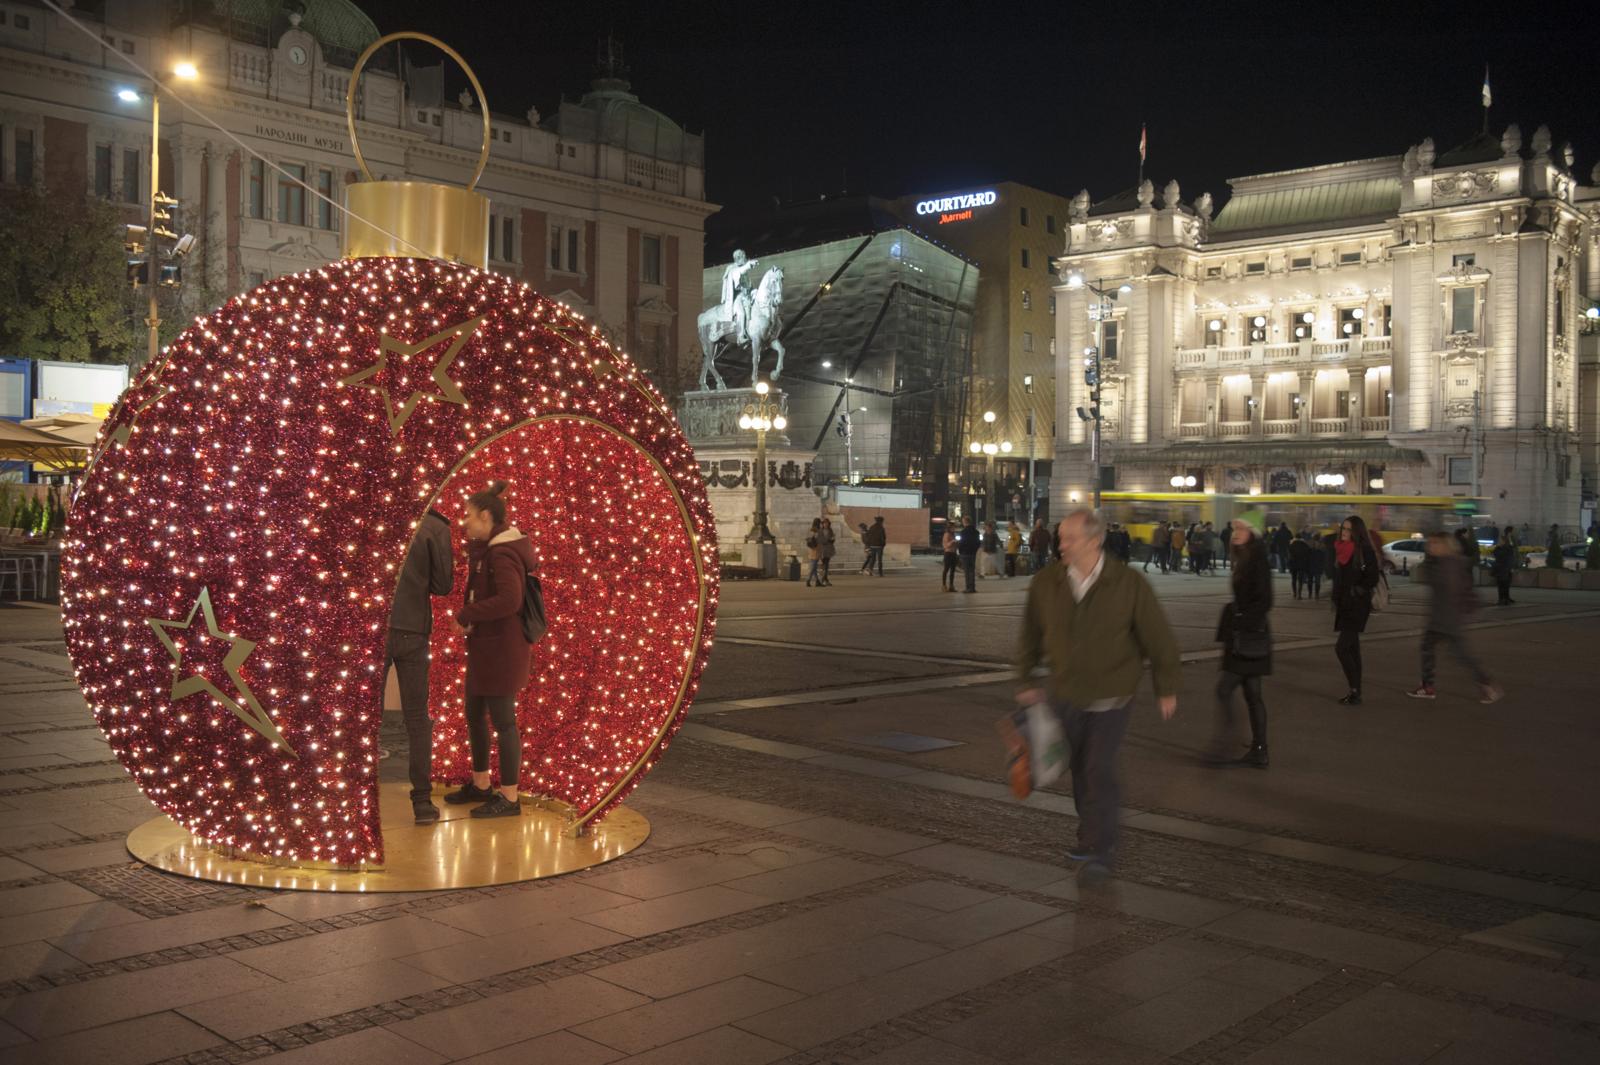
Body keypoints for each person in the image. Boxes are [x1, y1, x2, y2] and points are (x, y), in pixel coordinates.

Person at [1015, 509, 1180, 880]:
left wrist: (1166, 686)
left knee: (1098, 768)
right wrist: (1025, 677)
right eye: (1061, 537)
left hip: (1112, 694)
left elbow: (1158, 637)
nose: (1062, 544)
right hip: (1067, 692)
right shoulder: (1047, 582)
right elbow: (1030, 633)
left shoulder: (1128, 584)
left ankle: (1102, 848)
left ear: (1094, 540)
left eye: (1070, 538)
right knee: (1077, 769)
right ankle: (1090, 834)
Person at [447, 481, 534, 819]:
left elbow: (510, 600)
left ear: (485, 516)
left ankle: (510, 798)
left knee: (503, 722)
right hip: (486, 647)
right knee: (474, 715)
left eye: (469, 516)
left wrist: (468, 613)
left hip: (502, 650)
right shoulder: (489, 550)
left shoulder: (502, 552)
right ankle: (481, 783)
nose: (464, 522)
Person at [386, 507, 453, 824]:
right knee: (417, 717)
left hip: (374, 627)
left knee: (359, 715)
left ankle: (352, 798)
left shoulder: (373, 513)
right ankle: (422, 801)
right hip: (414, 627)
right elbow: (443, 585)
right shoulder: (435, 525)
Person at [1407, 531, 1502, 703]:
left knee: (1458, 654)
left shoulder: (1446, 564)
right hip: (1444, 618)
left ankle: (1486, 683)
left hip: (1446, 619)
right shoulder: (1450, 562)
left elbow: (1447, 589)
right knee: (1435, 649)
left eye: (1434, 543)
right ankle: (1429, 686)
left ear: (1444, 545)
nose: (1430, 546)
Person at [1209, 509, 1272, 767]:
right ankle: (1259, 750)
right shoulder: (1245, 557)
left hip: (1247, 637)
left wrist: (1241, 622)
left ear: (1252, 533)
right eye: (1234, 528)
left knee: (1225, 689)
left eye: (1241, 529)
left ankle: (1228, 742)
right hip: (1248, 635)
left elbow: (1266, 600)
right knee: (1252, 694)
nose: (1235, 533)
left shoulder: (1257, 560)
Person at [1330, 514, 1381, 705]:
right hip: (1344, 604)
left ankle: (1354, 689)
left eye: (1349, 529)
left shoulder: (1364, 550)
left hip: (1357, 605)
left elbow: (1372, 577)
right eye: (1343, 528)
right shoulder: (1340, 549)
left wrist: (1356, 590)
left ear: (1357, 531)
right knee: (1353, 648)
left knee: (1341, 648)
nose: (1344, 532)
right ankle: (1356, 692)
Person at [1490, 526, 1517, 605]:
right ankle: (1503, 599)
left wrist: (1511, 567)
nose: (1498, 542)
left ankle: (1503, 599)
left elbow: (1500, 556)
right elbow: (1496, 554)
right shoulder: (1502, 548)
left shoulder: (1504, 548)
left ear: (1503, 542)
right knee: (1503, 584)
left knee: (1503, 585)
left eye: (1500, 541)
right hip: (1503, 569)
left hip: (1503, 569)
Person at [956, 514, 981, 592]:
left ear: (965, 522)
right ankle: (972, 587)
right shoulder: (976, 532)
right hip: (973, 553)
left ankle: (968, 587)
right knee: (972, 571)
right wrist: (975, 550)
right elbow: (978, 543)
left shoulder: (963, 532)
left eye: (963, 521)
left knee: (967, 571)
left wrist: (960, 551)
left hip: (965, 553)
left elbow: (961, 543)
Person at [1288, 530, 1309, 600]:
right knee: (1300, 580)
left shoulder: (1292, 544)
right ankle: (1299, 594)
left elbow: (1289, 555)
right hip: (1301, 564)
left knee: (1293, 579)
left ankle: (1294, 593)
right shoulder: (1304, 545)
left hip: (1293, 564)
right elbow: (1307, 554)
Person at [805, 517, 824, 587]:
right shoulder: (818, 531)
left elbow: (808, 539)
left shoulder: (811, 530)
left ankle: (817, 581)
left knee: (814, 567)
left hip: (811, 549)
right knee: (813, 567)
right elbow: (819, 540)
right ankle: (808, 580)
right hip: (816, 549)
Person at [941, 523, 959, 592]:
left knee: (952, 570)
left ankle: (951, 586)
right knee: (946, 569)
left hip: (953, 553)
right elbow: (945, 545)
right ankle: (944, 585)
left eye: (954, 527)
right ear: (949, 528)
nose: (954, 529)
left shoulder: (953, 534)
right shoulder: (946, 534)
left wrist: (957, 544)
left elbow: (955, 545)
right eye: (953, 527)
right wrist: (952, 542)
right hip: (948, 553)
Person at [818, 517, 836, 585]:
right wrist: (827, 540)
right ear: (823, 524)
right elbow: (820, 540)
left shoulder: (830, 530)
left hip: (829, 549)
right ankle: (825, 580)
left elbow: (832, 539)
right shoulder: (820, 531)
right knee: (824, 564)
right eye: (825, 523)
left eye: (827, 523)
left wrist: (832, 539)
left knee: (826, 564)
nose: (826, 524)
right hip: (822, 549)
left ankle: (824, 579)